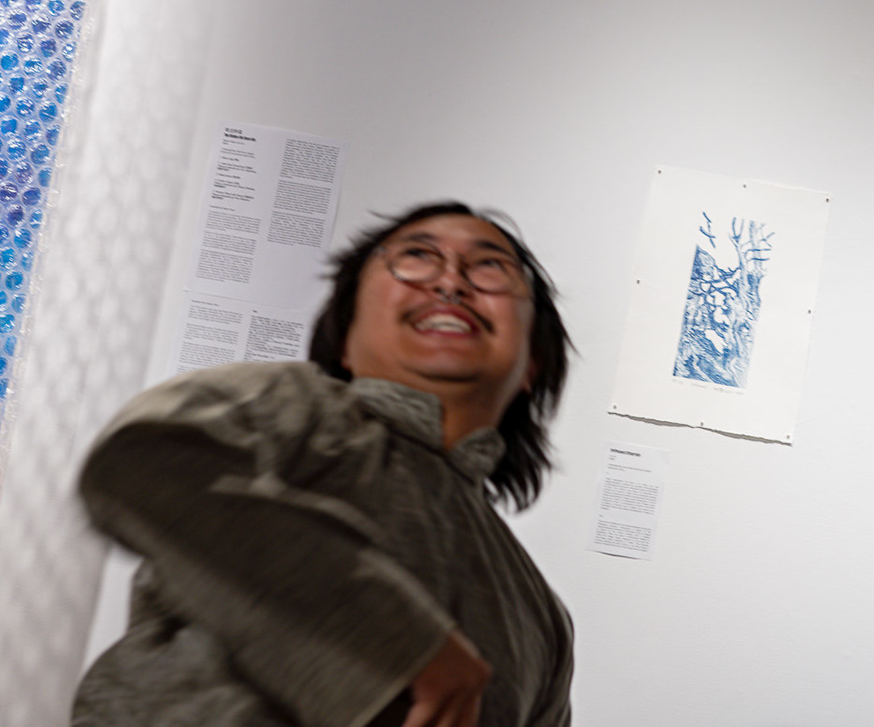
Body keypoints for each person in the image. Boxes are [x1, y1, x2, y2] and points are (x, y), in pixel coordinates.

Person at [71, 202, 574, 727]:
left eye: (490, 266)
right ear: (346, 339)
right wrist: (398, 639)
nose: (450, 282)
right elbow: (141, 462)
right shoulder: (288, 404)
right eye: (417, 256)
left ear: (532, 365)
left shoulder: (541, 618)